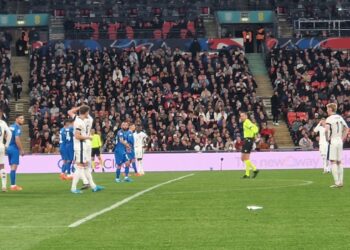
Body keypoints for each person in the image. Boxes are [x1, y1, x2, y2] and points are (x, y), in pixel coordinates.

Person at [71, 105, 104, 194]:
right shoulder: (79, 122)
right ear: (86, 113)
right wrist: (88, 137)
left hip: (83, 145)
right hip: (80, 145)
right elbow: (77, 136)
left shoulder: (79, 120)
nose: (88, 114)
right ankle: (73, 188)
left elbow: (70, 112)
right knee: (80, 167)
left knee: (85, 166)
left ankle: (94, 186)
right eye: (88, 112)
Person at [325, 103, 349, 188]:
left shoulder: (329, 119)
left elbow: (326, 130)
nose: (327, 110)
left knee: (333, 161)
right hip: (339, 140)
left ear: (331, 109)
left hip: (333, 140)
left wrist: (327, 138)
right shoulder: (340, 117)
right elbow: (347, 128)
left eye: (327, 109)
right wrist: (343, 138)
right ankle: (341, 181)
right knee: (339, 161)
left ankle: (337, 182)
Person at [7, 114, 25, 191]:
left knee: (12, 167)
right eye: (21, 118)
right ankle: (13, 185)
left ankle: (12, 184)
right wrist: (21, 150)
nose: (22, 120)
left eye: (23, 118)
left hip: (8, 148)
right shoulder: (17, 127)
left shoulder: (10, 127)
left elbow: (5, 136)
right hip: (14, 148)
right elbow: (17, 139)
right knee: (14, 167)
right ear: (16, 119)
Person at [240, 112, 259, 179]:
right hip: (248, 140)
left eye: (242, 116)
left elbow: (253, 128)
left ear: (246, 116)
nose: (241, 117)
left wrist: (255, 134)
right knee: (245, 158)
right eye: (240, 116)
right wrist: (255, 133)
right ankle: (247, 174)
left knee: (243, 158)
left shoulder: (246, 122)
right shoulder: (248, 122)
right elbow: (255, 128)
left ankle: (254, 169)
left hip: (248, 141)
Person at [0, 109, 11, 192]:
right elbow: (10, 133)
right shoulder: (3, 123)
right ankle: (3, 186)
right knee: (2, 166)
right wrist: (6, 145)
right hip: (1, 146)